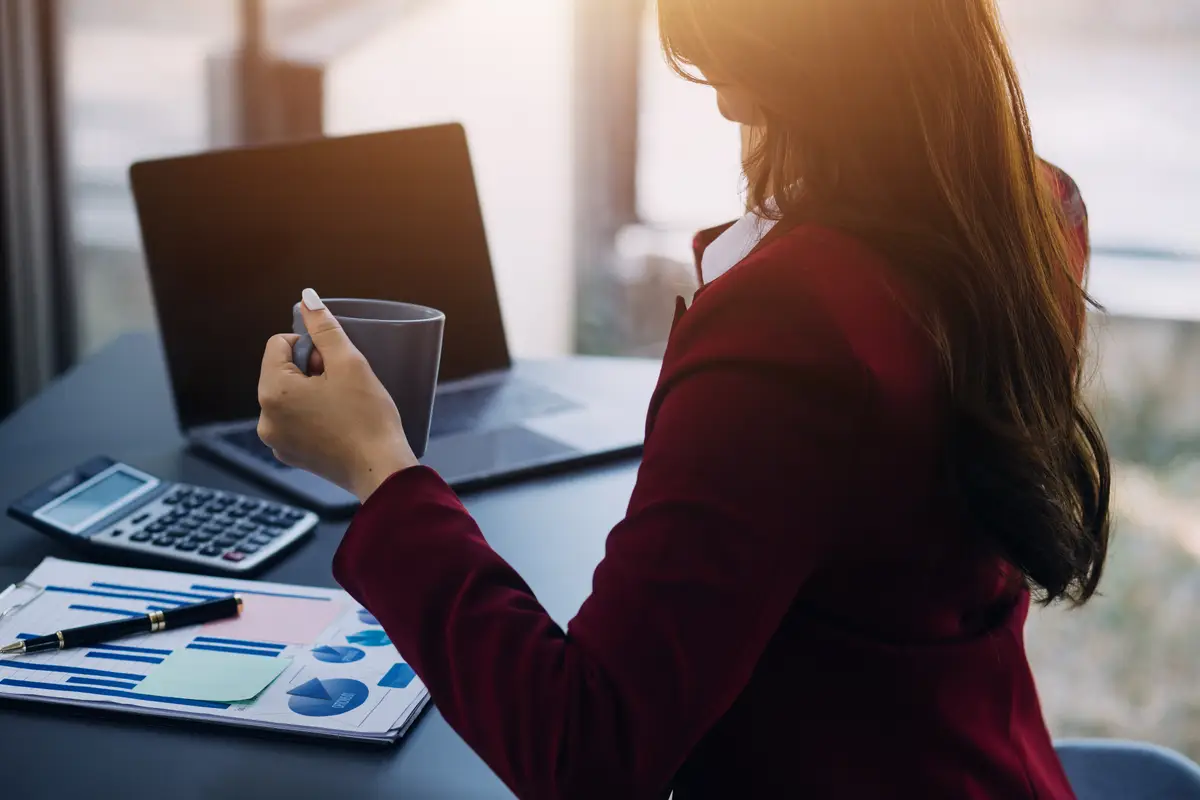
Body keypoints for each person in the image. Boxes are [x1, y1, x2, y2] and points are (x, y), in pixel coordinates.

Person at [256, 0, 1110, 797]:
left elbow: (586, 747)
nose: (724, 104)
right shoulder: (1026, 209)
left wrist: (380, 468)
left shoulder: (793, 321)